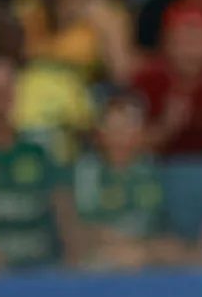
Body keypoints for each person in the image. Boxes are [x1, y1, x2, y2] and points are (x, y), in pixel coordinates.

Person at [0, 57, 82, 273]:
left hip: (41, 257)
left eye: (2, 92)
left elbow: (62, 203)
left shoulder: (41, 146)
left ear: (14, 95)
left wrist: (73, 255)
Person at [74, 95, 192, 270]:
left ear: (139, 133)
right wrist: (123, 248)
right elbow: (84, 226)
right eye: (114, 127)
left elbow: (159, 222)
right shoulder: (87, 171)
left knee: (183, 254)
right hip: (102, 248)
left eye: (128, 127)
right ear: (100, 133)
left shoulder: (150, 168)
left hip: (146, 247)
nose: (121, 135)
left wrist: (145, 249)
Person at [131, 1, 202, 157]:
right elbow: (125, 147)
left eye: (198, 41)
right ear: (165, 42)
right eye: (182, 40)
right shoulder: (145, 81)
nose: (190, 50)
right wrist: (165, 127)